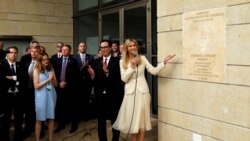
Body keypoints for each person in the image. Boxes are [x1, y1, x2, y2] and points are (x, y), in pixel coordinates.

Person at [112, 38, 175, 141]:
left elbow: (153, 71)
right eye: (130, 46)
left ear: (137, 47)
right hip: (130, 94)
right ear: (127, 48)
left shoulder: (142, 58)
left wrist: (164, 62)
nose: (132, 47)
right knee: (133, 125)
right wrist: (132, 66)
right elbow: (124, 79)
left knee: (141, 124)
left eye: (134, 45)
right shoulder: (122, 61)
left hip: (143, 93)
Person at [88, 39, 124, 141]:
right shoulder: (95, 62)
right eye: (101, 47)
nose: (103, 49)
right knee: (101, 122)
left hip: (113, 97)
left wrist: (107, 73)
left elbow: (119, 81)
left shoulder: (117, 62)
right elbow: (94, 82)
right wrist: (93, 76)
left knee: (115, 122)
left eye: (105, 47)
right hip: (100, 97)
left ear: (110, 48)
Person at [0, 46, 29, 141]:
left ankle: (18, 137)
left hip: (18, 96)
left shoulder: (21, 65)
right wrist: (17, 78)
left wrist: (12, 78)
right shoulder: (1, 65)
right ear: (7, 54)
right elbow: (1, 80)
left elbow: (25, 78)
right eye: (11, 52)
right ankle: (5, 137)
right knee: (5, 120)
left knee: (19, 119)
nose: (13, 54)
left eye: (15, 53)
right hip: (6, 97)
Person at [54, 44, 79, 133]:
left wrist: (66, 83)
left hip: (71, 88)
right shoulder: (57, 60)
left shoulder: (74, 61)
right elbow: (55, 74)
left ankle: (74, 125)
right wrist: (59, 83)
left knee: (72, 107)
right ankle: (61, 124)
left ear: (69, 51)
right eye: (63, 49)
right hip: (60, 87)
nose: (64, 51)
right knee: (61, 107)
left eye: (66, 50)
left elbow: (76, 75)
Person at [33, 53, 57, 141]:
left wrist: (53, 79)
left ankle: (50, 138)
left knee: (51, 117)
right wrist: (48, 80)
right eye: (44, 59)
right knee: (39, 119)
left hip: (51, 95)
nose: (46, 61)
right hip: (41, 97)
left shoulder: (51, 69)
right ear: (40, 61)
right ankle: (37, 139)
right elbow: (36, 86)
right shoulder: (36, 70)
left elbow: (55, 84)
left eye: (47, 59)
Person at [73, 42, 94, 121]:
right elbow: (73, 70)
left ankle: (85, 115)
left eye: (84, 46)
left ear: (86, 48)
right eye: (81, 46)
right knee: (78, 99)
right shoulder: (74, 57)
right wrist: (82, 67)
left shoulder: (91, 57)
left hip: (87, 82)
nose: (82, 47)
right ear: (78, 48)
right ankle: (79, 116)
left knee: (86, 99)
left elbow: (93, 68)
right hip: (78, 82)